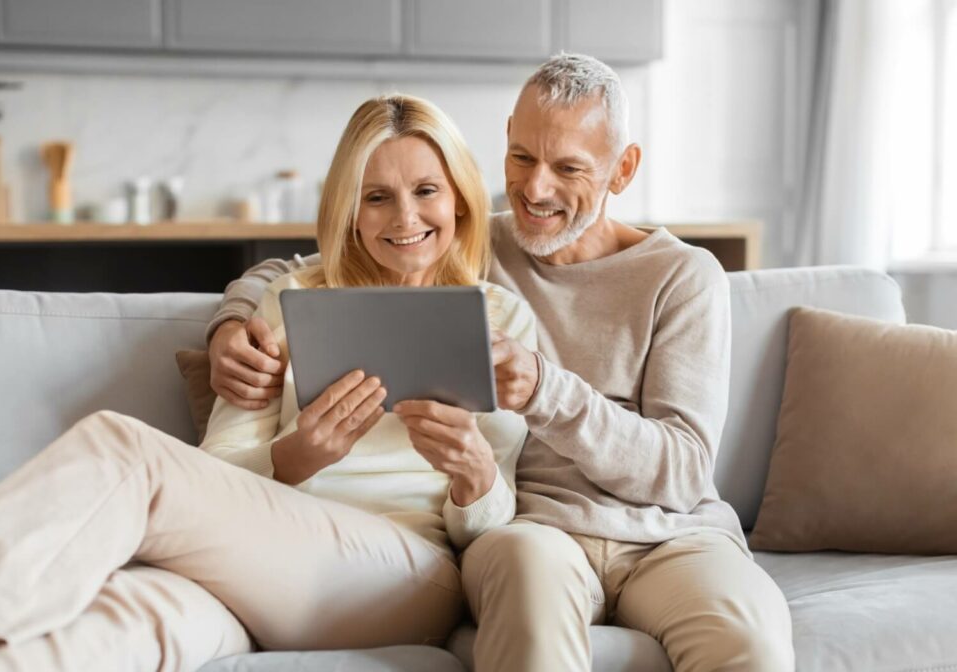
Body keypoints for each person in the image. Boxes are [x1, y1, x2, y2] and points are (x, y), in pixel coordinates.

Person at [207, 53, 795, 672]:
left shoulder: (682, 275)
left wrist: (547, 390)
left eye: (568, 167)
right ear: (506, 139)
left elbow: (682, 472)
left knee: (747, 647)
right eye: (522, 158)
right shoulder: (473, 239)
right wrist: (230, 323)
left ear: (622, 170)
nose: (536, 190)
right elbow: (317, 262)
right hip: (537, 534)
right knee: (527, 600)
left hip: (676, 538)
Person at [0, 93, 535, 672]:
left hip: (404, 576)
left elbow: (491, 526)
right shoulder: (292, 299)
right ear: (349, 209)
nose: (404, 217)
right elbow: (217, 464)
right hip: (252, 570)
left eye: (426, 190)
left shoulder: (500, 320)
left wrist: (474, 475)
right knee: (127, 621)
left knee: (123, 448)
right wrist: (296, 457)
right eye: (376, 197)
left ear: (458, 197)